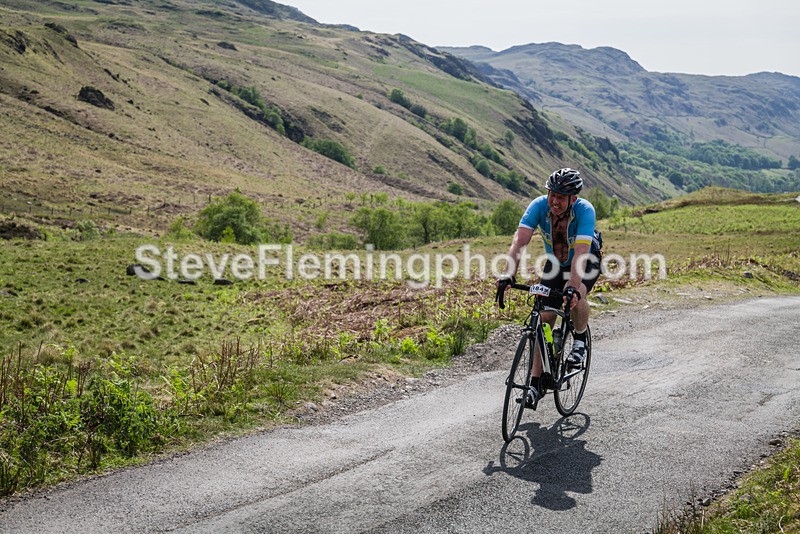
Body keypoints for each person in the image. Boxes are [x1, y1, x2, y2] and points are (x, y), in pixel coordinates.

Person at [497, 168, 601, 406]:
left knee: (576, 296)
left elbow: (582, 253)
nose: (554, 201)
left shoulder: (584, 211)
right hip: (556, 263)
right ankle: (535, 383)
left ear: (573, 199)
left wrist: (573, 286)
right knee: (543, 318)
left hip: (586, 260)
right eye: (552, 194)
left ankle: (580, 338)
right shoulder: (538, 206)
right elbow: (520, 240)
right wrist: (508, 273)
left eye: (561, 197)